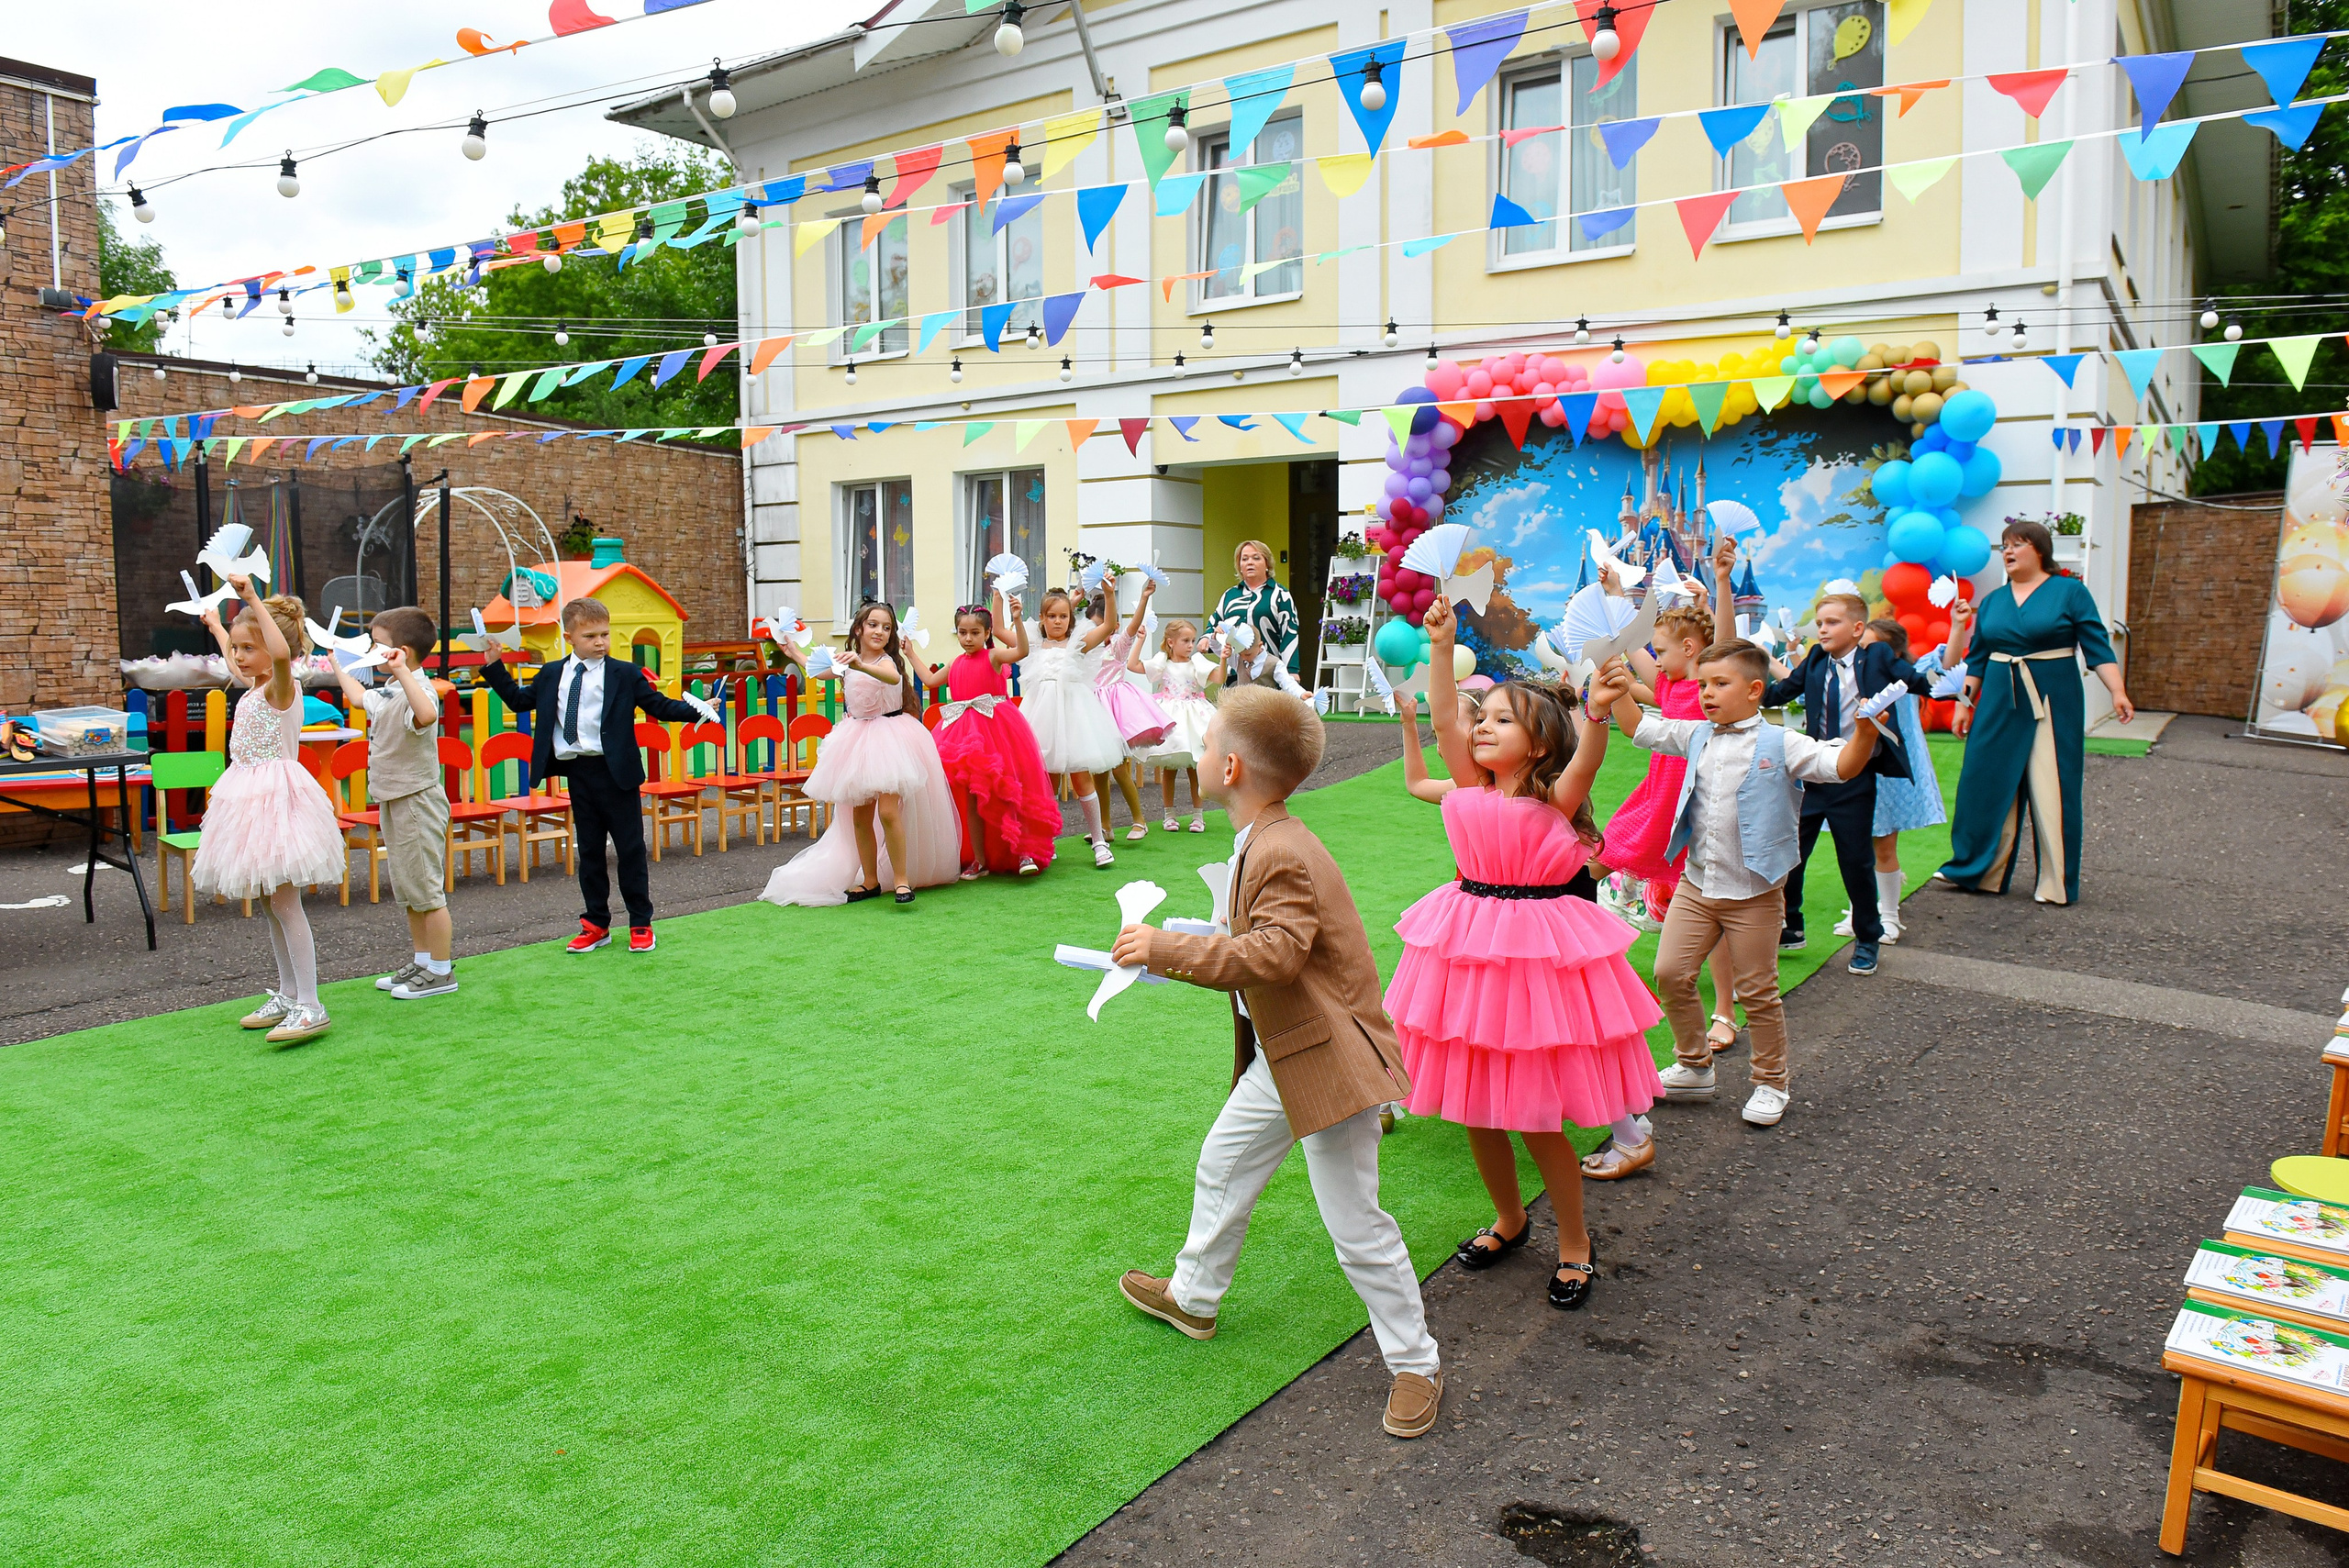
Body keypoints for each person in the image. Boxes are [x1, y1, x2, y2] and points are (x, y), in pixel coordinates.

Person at [1108, 686, 1444, 1440]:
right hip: (1290, 1050)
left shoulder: (1281, 848)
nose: (1194, 758)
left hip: (1326, 1058)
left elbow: (1276, 955)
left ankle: (1415, 1362)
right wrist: (1194, 940)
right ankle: (1194, 1294)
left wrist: (1168, 947)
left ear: (1229, 767)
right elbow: (1265, 942)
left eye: (1202, 748)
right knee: (1223, 1161)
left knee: (1357, 1224)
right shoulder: (1267, 836)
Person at [1383, 598, 1662, 1308]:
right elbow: (1447, 718)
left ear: (1538, 745)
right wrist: (1441, 648)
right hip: (1468, 947)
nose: (1482, 727)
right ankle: (1510, 1218)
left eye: (1501, 719)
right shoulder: (1468, 784)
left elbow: (1589, 759)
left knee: (1536, 1116)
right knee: (1477, 1109)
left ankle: (1574, 1241)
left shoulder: (1553, 798)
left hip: (1533, 957)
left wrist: (1596, 712)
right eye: (1485, 717)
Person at [1601, 640, 1887, 1128]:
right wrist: (1616, 689)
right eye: (1704, 684)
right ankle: (1694, 1065)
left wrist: (1863, 731)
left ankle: (1771, 1081)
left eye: (1720, 684)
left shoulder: (1782, 743)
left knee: (1758, 992)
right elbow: (1638, 727)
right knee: (1671, 974)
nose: (1707, 694)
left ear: (1755, 691)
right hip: (1697, 885)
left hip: (1754, 893)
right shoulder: (1696, 735)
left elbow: (1841, 767)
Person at [479, 596, 716, 953]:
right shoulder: (552, 674)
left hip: (616, 772)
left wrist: (696, 709)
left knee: (630, 849)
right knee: (589, 851)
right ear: (568, 636)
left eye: (605, 634)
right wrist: (495, 666)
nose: (601, 642)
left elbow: (657, 705)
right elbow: (517, 700)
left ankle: (640, 923)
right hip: (578, 772)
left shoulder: (624, 673)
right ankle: (595, 924)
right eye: (591, 636)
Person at [1937, 519, 2134, 906]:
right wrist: (1963, 705)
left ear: (2040, 550)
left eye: (2018, 544)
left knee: (2052, 784)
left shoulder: (2069, 592)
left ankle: (2056, 881)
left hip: (2051, 697)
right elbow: (1976, 658)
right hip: (1996, 699)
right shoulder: (1994, 600)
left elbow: (2097, 647)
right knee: (1984, 781)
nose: (2007, 552)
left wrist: (2118, 691)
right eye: (2004, 546)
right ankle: (1979, 871)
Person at [193, 577, 350, 1044]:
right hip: (247, 797)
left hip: (275, 801)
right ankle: (288, 994)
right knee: (270, 902)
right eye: (236, 649)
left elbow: (279, 655)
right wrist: (220, 628)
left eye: (247, 648)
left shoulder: (281, 687)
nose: (238, 657)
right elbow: (246, 661)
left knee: (284, 902)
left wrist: (251, 599)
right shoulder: (255, 684)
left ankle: (310, 1004)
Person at [1762, 591, 1934, 976]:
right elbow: (1780, 692)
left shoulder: (1876, 657)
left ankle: (1868, 938)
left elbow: (1914, 680)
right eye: (1820, 623)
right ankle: (1791, 925)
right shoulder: (1816, 660)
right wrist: (1741, 683)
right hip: (1812, 772)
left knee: (1855, 860)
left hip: (1855, 774)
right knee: (1792, 853)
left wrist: (1947, 682)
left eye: (1832, 622)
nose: (1822, 629)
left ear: (1858, 629)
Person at [761, 601, 959, 906]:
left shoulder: (886, 662)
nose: (879, 631)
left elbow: (890, 678)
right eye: (873, 625)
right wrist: (793, 652)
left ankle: (902, 880)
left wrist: (859, 665)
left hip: (891, 738)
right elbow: (819, 671)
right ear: (858, 629)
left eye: (886, 627)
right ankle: (870, 880)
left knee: (889, 812)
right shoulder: (846, 662)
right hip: (857, 739)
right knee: (859, 816)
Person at [334, 606, 456, 999]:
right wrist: (336, 660)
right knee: (408, 888)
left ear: (400, 652)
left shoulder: (414, 691)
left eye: (377, 644)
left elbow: (427, 712)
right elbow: (356, 697)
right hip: (393, 798)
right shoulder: (388, 693)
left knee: (426, 890)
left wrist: (402, 672)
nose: (370, 649)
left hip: (417, 801)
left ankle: (440, 970)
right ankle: (423, 962)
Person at [1830, 606, 1972, 942]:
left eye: (1870, 647)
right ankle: (1861, 910)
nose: (1862, 655)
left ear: (1891, 653)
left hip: (1890, 773)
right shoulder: (1848, 675)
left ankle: (1889, 916)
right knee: (1855, 845)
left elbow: (1947, 666)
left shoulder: (1907, 674)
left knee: (1884, 847)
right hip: (1857, 766)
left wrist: (1957, 624)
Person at [915, 591, 1054, 879]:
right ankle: (978, 860)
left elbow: (1021, 653)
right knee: (972, 798)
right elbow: (929, 680)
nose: (968, 638)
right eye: (963, 633)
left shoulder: (993, 656)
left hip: (997, 729)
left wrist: (1017, 621)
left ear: (987, 632)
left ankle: (1022, 851)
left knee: (1008, 789)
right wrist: (909, 653)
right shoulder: (955, 663)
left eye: (975, 632)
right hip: (962, 734)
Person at [1021, 586, 1128, 868]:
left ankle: (1099, 840)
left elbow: (1106, 627)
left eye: (1064, 616)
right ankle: (1046, 840)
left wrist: (1110, 595)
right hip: (1041, 717)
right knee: (1048, 783)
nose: (1058, 621)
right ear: (1042, 618)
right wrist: (1001, 602)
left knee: (1082, 780)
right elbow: (1000, 632)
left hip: (1073, 717)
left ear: (1071, 618)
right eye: (1052, 616)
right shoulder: (1033, 644)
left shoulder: (1078, 643)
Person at [1088, 575, 1174, 842]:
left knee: (1117, 767)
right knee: (1097, 770)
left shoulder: (1118, 644)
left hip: (1115, 708)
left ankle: (1139, 819)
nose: (1094, 629)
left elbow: (1133, 624)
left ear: (1112, 625)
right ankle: (1105, 826)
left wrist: (1145, 597)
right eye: (1091, 625)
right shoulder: (1086, 649)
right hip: (1092, 708)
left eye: (1099, 624)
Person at [1137, 617, 1222, 832]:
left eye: (1193, 641)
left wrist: (1223, 657)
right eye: (1186, 641)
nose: (1191, 646)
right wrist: (1140, 640)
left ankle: (1198, 815)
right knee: (1169, 767)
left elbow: (1220, 678)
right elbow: (1133, 665)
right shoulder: (1161, 662)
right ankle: (1169, 814)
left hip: (1194, 714)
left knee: (1196, 765)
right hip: (1170, 716)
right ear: (1171, 641)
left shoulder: (1197, 663)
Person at [1212, 539, 1301, 688]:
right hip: (1235, 671)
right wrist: (1207, 638)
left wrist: (1291, 670)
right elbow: (1215, 623)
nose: (1249, 562)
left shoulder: (1280, 594)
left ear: (1267, 564)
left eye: (1256, 558)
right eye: (1244, 559)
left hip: (1268, 671)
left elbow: (1289, 632)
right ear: (1239, 565)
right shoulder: (1230, 595)